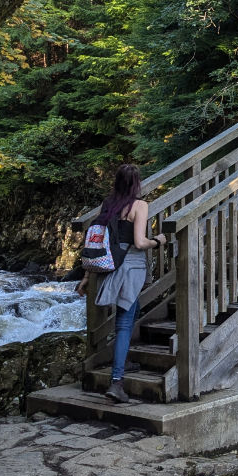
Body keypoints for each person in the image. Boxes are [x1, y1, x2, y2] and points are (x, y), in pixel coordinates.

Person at [75, 164, 166, 403]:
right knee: (125, 322)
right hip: (130, 267)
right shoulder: (140, 205)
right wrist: (158, 241)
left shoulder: (110, 205)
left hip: (111, 264)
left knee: (131, 312)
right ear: (137, 183)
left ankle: (122, 358)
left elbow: (97, 240)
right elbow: (139, 242)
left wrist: (86, 276)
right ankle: (117, 382)